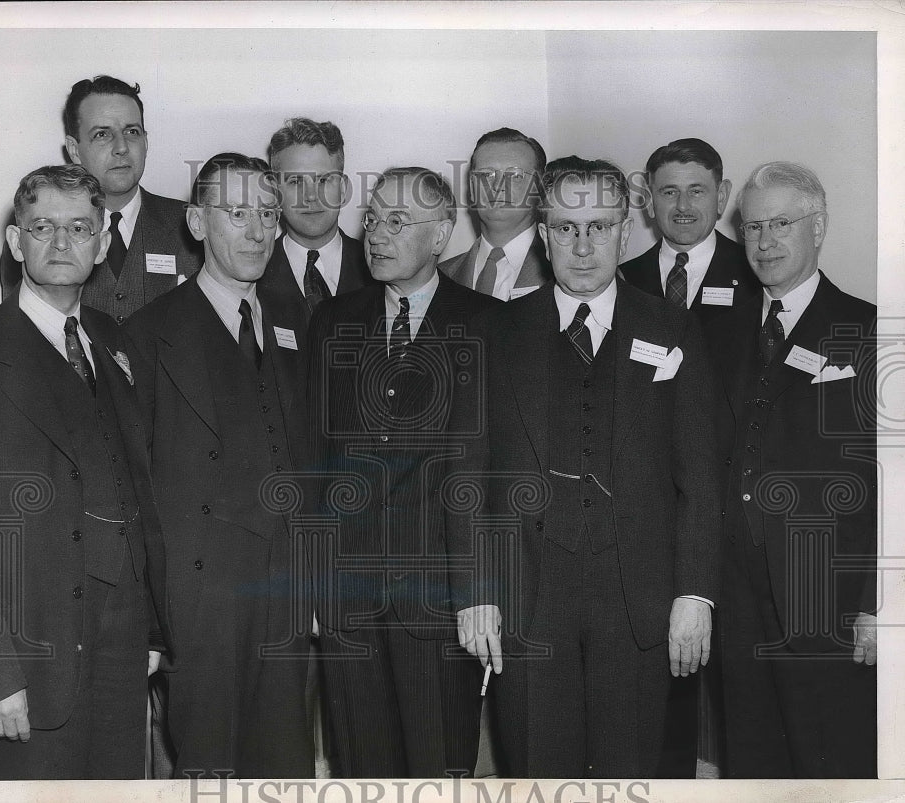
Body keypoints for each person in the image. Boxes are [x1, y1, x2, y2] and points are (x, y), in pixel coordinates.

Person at [447, 156, 722, 777]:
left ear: (627, 231)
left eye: (599, 226)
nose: (582, 244)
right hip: (526, 601)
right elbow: (468, 475)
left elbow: (701, 481)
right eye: (566, 227)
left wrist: (694, 593)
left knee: (631, 773)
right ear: (543, 233)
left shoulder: (674, 330)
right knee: (538, 772)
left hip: (640, 602)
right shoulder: (495, 332)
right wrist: (476, 592)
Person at [0, 164, 169, 779]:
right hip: (25, 664)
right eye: (43, 228)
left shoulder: (114, 339)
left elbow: (136, 492)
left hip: (120, 660)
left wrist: (151, 632)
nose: (62, 243)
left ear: (98, 242)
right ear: (16, 243)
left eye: (79, 228)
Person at [123, 153, 314, 778]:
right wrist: (152, 622)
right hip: (200, 600)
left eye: (267, 214)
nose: (258, 231)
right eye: (238, 214)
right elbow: (135, 494)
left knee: (285, 765)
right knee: (210, 771)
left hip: (283, 592)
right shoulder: (146, 335)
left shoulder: (293, 326)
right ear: (198, 224)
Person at [307, 167, 495, 777]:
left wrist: (478, 592)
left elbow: (495, 473)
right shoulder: (333, 322)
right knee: (361, 768)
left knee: (440, 768)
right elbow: (315, 460)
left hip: (440, 600)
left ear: (441, 236)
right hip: (348, 600)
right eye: (373, 219)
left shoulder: (491, 326)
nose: (377, 235)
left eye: (398, 222)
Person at [706, 161, 877, 778]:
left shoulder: (869, 329)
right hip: (738, 587)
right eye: (752, 227)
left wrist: (877, 605)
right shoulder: (719, 331)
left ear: (819, 227)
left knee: (832, 756)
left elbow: (894, 486)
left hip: (826, 594)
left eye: (782, 223)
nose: (765, 241)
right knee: (752, 756)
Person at [0, 75, 202, 321]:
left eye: (132, 131)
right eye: (102, 135)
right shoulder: (37, 234)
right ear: (75, 149)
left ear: (146, 142)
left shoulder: (191, 225)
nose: (122, 147)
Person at [620, 138, 758, 325]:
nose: (683, 206)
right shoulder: (624, 279)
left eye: (696, 191)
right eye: (670, 192)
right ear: (650, 201)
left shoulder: (756, 273)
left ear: (721, 197)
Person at [259, 117, 371, 345]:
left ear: (342, 189)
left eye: (323, 180)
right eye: (296, 182)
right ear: (275, 191)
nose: (311, 196)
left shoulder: (379, 270)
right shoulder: (254, 271)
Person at [438, 127, 551, 300]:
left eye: (515, 175)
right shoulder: (440, 277)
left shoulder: (562, 272)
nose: (498, 186)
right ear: (472, 189)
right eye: (486, 175)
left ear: (539, 188)